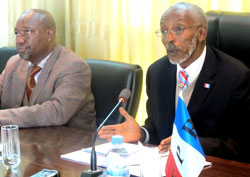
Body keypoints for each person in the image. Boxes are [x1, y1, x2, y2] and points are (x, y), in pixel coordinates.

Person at [98, 2, 250, 163]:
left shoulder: (235, 76)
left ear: (201, 33)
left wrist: (193, 144)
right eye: (164, 31)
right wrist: (143, 133)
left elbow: (243, 146)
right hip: (166, 167)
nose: (168, 39)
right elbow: (157, 127)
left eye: (178, 29)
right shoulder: (157, 72)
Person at [0, 9, 96, 131]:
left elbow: (55, 112)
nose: (19, 40)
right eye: (17, 33)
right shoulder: (14, 63)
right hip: (23, 142)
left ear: (49, 34)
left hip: (66, 144)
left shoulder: (74, 66)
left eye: (27, 32)